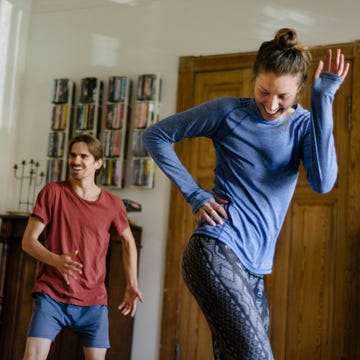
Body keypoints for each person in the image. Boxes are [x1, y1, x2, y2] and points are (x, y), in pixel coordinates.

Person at [142, 28, 349, 359]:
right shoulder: (228, 112)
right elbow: (155, 136)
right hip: (215, 250)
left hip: (254, 269)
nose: (270, 104)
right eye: (263, 91)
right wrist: (196, 194)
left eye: (283, 96)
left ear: (300, 88)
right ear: (254, 80)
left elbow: (323, 182)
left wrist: (324, 100)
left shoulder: (304, 125)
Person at [22, 134, 143, 360]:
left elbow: (129, 241)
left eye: (83, 156)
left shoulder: (113, 204)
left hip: (93, 301)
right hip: (52, 295)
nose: (76, 161)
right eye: (73, 155)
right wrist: (56, 260)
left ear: (98, 163)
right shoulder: (52, 192)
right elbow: (28, 241)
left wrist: (132, 284)